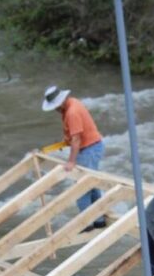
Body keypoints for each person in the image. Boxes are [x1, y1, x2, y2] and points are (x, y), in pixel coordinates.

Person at [42, 85, 106, 231]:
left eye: (56, 106)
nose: (56, 110)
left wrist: (71, 162)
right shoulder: (72, 103)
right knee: (92, 184)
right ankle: (99, 220)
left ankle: (87, 223)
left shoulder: (72, 112)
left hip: (89, 148)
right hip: (93, 146)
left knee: (82, 188)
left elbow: (76, 139)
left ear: (62, 101)